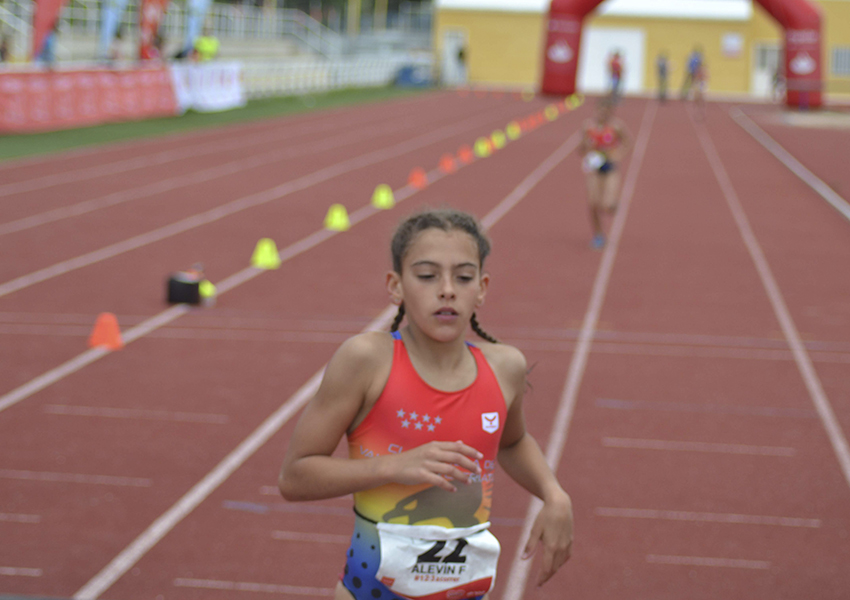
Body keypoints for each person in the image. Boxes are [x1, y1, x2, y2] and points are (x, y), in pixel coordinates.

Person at [279, 209, 574, 600]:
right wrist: (393, 466)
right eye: (427, 275)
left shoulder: (505, 367)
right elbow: (294, 477)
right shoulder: (367, 360)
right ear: (396, 286)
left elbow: (512, 443)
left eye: (464, 277)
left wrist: (554, 494)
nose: (447, 289)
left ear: (482, 288)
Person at [579, 99, 631, 249]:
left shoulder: (616, 126)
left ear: (610, 111)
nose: (601, 113)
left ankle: (613, 206)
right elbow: (580, 149)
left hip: (610, 167)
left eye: (605, 110)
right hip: (594, 168)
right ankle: (598, 235)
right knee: (593, 203)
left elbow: (628, 142)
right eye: (599, 110)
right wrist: (586, 147)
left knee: (607, 205)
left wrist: (618, 154)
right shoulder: (588, 127)